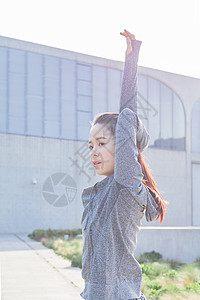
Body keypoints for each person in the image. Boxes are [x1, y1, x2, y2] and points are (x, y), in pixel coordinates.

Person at [80, 29, 168, 300]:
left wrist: (131, 60)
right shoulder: (100, 191)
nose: (94, 152)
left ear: (124, 146)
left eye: (102, 143)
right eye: (91, 145)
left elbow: (127, 117)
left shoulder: (126, 187)